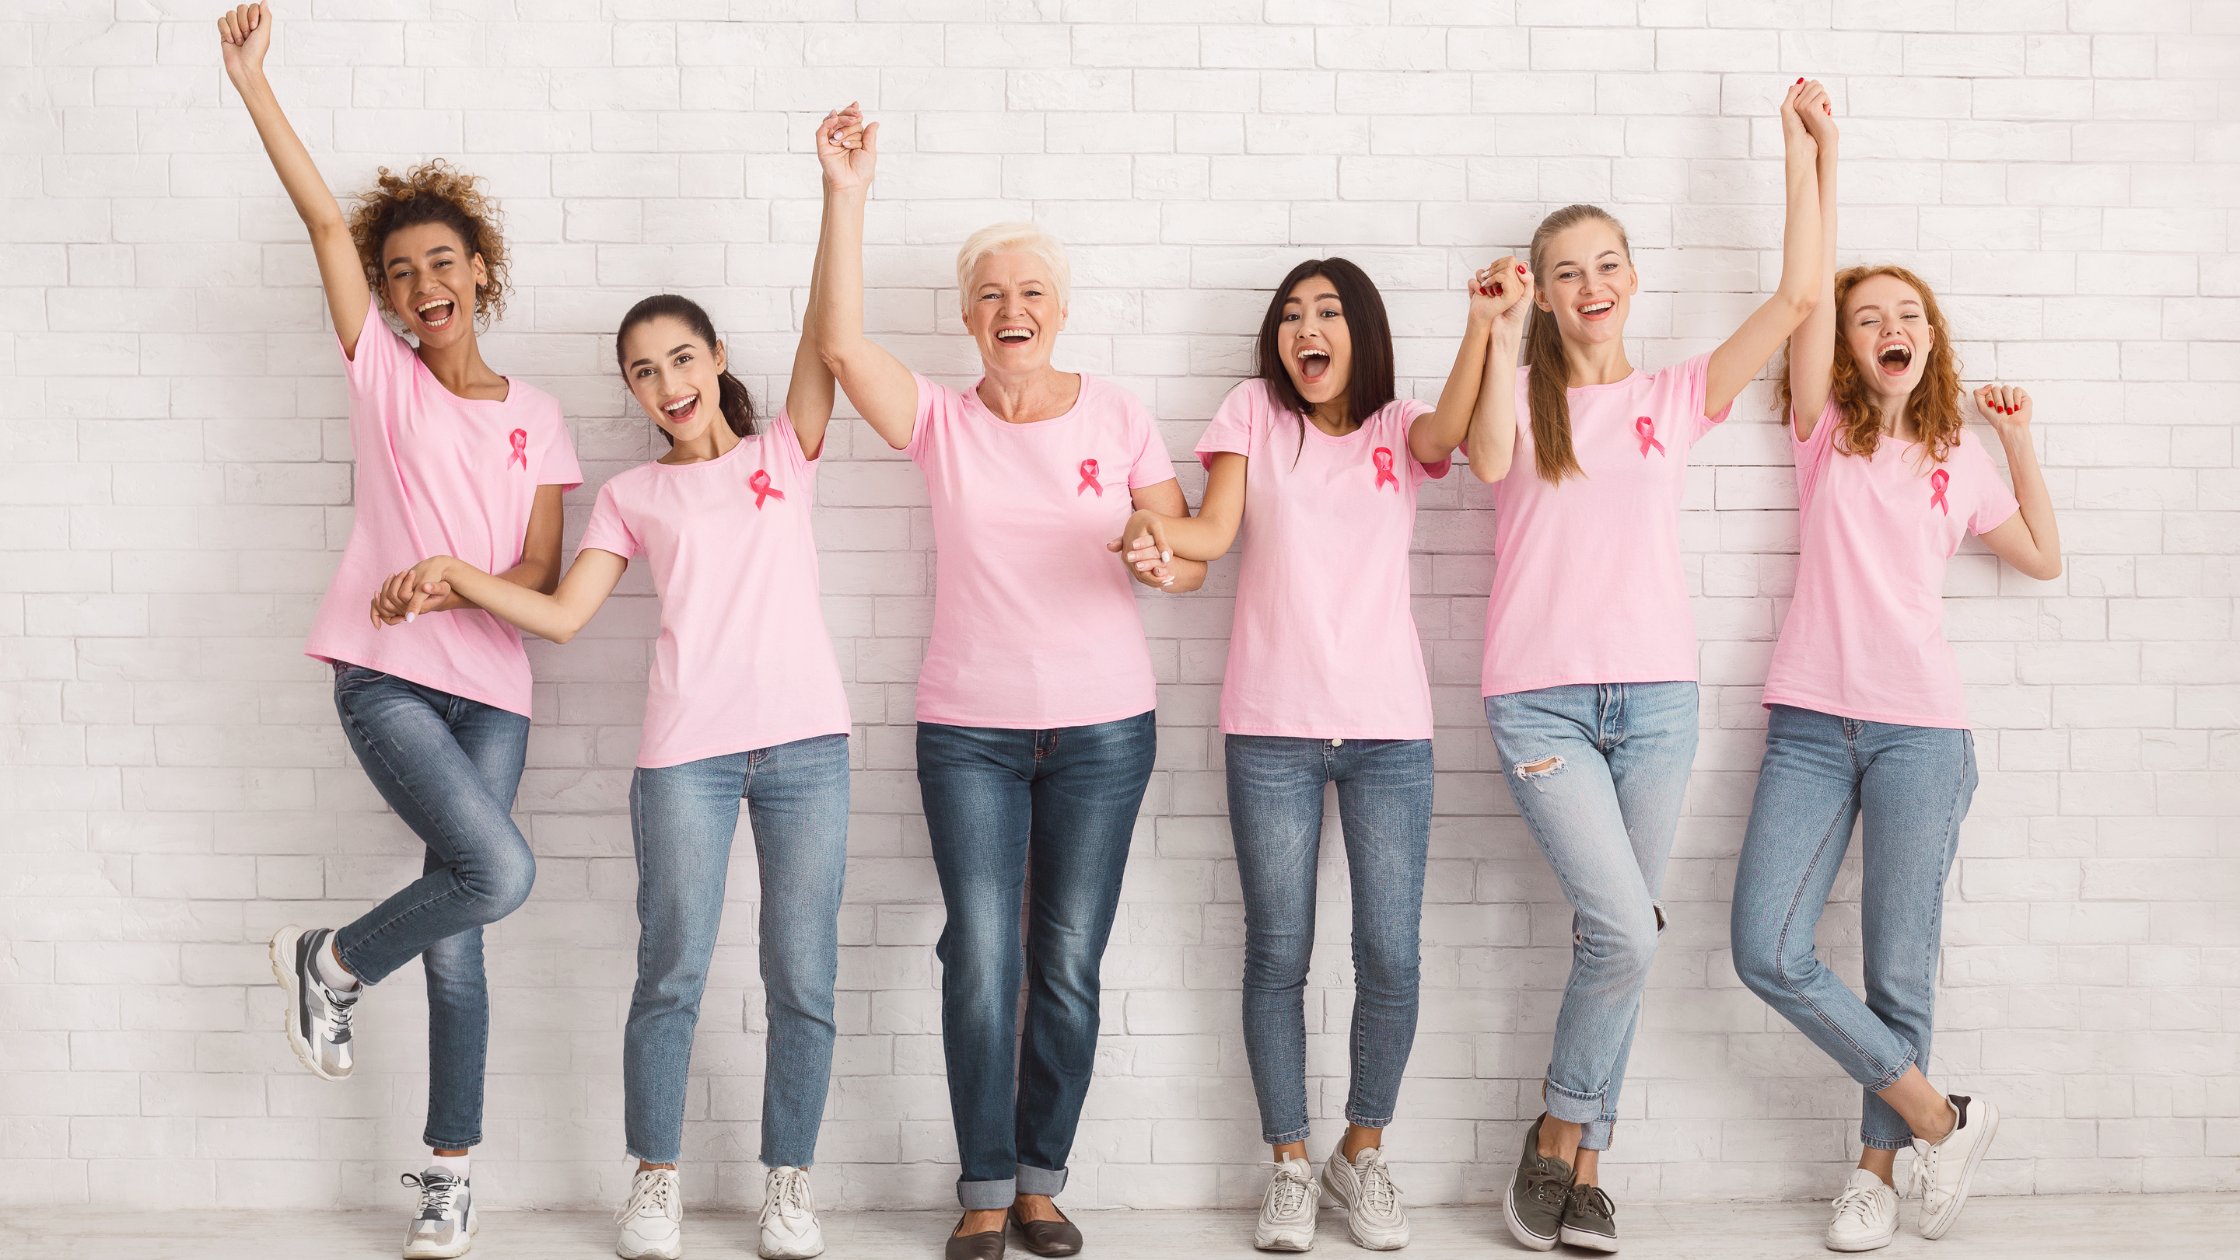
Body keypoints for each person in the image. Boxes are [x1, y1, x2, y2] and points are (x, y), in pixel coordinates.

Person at [384, 109, 862, 1260]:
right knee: (672, 971)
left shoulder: (780, 454)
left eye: (681, 360)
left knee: (801, 976)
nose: (665, 383)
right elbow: (557, 613)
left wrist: (840, 192)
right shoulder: (632, 498)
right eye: (643, 373)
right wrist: (459, 578)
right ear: (636, 395)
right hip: (683, 761)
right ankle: (655, 1181)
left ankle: (787, 1184)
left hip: (808, 750)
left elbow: (824, 328)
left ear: (716, 366)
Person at [221, 6, 580, 1257]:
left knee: (466, 928)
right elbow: (327, 220)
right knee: (501, 875)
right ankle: (327, 961)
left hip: (494, 689)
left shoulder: (538, 411)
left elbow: (536, 569)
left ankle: (447, 1174)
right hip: (386, 680)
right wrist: (255, 82)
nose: (423, 288)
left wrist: (454, 579)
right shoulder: (383, 374)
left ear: (482, 268)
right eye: (401, 273)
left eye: (443, 265)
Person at [812, 106, 1197, 1260]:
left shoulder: (1120, 415)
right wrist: (846, 192)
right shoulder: (938, 418)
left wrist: (1153, 556)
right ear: (967, 318)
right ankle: (982, 1184)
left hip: (1102, 731)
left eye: (1030, 291)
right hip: (967, 731)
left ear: (1060, 310)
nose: (1010, 310)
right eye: (989, 294)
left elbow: (1178, 555)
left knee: (1066, 956)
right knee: (979, 950)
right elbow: (838, 347)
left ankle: (1039, 1181)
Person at [1461, 80, 1831, 1255]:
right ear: (1543, 289)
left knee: (1612, 934)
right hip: (1537, 702)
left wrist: (1803, 150)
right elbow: (1474, 462)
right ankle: (1558, 1130)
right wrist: (1489, 327)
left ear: (1631, 278)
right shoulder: (1515, 394)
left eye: (1607, 264)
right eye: (1566, 271)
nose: (1591, 286)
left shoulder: (1674, 397)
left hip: (1658, 705)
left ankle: (1579, 1164)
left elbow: (1795, 297)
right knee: (1627, 930)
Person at [1111, 256, 1510, 1250]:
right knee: (1278, 954)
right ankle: (1287, 1165)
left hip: (1387, 731)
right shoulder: (1251, 412)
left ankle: (1358, 1154)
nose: (1305, 330)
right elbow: (1211, 527)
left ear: (1359, 331)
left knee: (1389, 955)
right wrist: (1151, 539)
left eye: (1326, 313)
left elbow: (1451, 433)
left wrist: (1483, 322)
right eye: (1290, 316)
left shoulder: (1395, 426)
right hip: (1270, 728)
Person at [1731, 89, 2060, 1253]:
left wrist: (2013, 435)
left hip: (1923, 732)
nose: (1884, 322)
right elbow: (1806, 290)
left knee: (1895, 965)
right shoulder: (1822, 429)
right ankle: (1936, 1116)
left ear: (1928, 337)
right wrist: (1812, 156)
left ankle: (1873, 1173)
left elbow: (2039, 558)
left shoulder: (1954, 455)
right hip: (1812, 725)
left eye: (1904, 311)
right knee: (1762, 945)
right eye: (1869, 312)